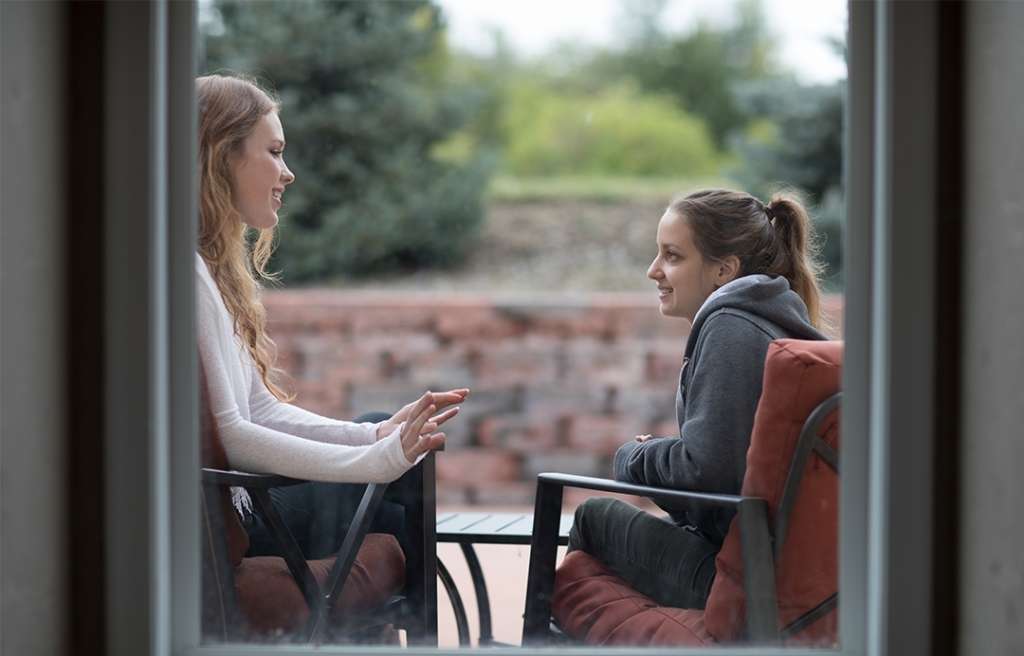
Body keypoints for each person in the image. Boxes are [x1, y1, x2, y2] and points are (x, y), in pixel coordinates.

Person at [195, 73, 468, 561]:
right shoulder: (187, 272)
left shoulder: (207, 270)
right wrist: (375, 461)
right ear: (221, 156)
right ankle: (404, 630)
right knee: (393, 486)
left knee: (382, 425)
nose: (288, 172)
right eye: (274, 152)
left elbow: (260, 410)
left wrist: (372, 439)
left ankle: (381, 631)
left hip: (244, 502)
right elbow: (233, 435)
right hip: (236, 518)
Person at [568, 188, 828, 609]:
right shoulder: (765, 322)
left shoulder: (731, 327)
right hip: (773, 567)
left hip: (742, 581)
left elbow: (708, 473)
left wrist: (635, 459)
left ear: (724, 269)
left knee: (594, 517)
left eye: (672, 256)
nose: (654, 270)